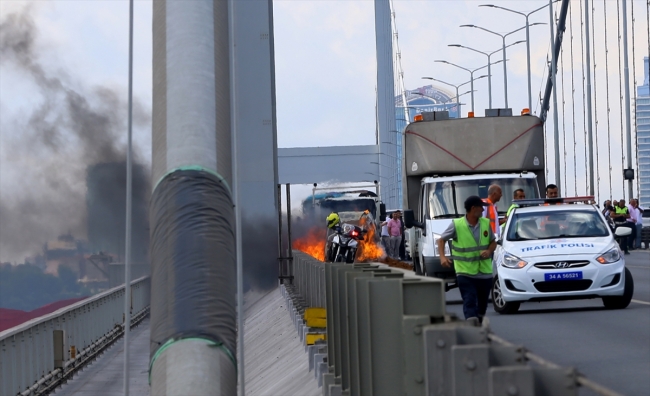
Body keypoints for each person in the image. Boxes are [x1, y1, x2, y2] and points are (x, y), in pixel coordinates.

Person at [438, 196, 496, 324]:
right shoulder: (457, 225)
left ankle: (479, 322)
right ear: (473, 208)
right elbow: (441, 240)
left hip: (484, 272)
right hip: (465, 272)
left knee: (482, 305)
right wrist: (442, 257)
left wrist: (489, 251)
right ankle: (471, 325)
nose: (483, 210)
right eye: (481, 207)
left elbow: (493, 242)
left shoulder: (485, 223)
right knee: (469, 300)